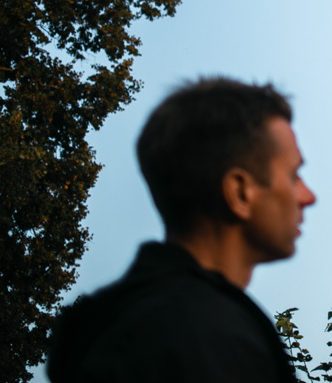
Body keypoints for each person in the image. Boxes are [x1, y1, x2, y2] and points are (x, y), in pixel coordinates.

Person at [48, 77, 316, 382]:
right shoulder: (211, 341)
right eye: (294, 175)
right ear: (239, 193)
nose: (309, 197)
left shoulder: (113, 327)